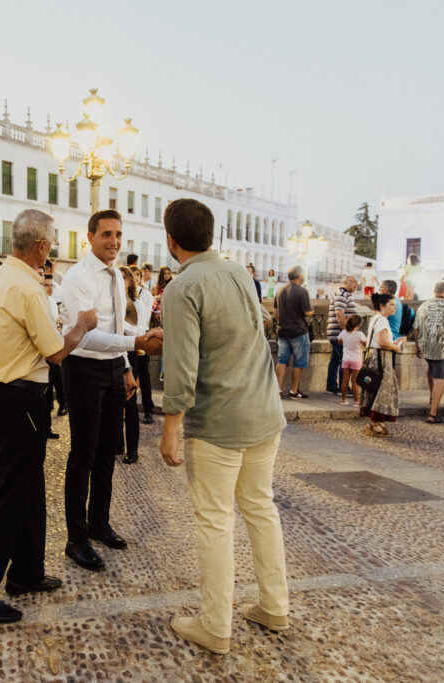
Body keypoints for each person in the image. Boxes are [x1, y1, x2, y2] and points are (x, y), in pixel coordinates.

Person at [157, 198, 289, 655]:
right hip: (264, 413)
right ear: (211, 235)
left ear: (171, 241)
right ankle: (274, 606)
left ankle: (216, 626)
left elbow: (181, 365)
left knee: (215, 521)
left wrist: (171, 427)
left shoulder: (181, 288)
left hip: (219, 422)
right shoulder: (239, 274)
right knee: (260, 509)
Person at [0, 209, 97, 624]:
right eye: (50, 243)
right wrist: (82, 325)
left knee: (30, 486)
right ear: (40, 247)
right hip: (21, 400)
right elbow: (56, 352)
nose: (50, 250)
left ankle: (27, 572)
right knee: (12, 496)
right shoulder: (29, 289)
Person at [59, 209, 163, 572]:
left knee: (108, 451)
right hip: (83, 368)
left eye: (118, 234)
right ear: (89, 237)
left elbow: (116, 324)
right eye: (106, 235)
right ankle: (76, 538)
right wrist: (136, 343)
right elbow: (85, 335)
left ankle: (99, 523)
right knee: (83, 454)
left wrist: (126, 366)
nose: (114, 241)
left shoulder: (118, 276)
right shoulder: (77, 278)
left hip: (113, 367)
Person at [412, 281, 444, 424]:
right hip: (442, 347)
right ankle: (433, 413)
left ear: (434, 291)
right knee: (439, 377)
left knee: (431, 370)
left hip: (425, 345)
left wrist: (417, 346)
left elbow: (416, 328)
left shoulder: (423, 306)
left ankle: (432, 397)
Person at [361, 293, 406, 436]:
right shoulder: (382, 321)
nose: (394, 308)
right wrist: (396, 347)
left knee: (376, 389)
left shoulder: (377, 319)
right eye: (391, 305)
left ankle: (377, 422)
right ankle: (374, 423)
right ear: (382, 306)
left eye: (395, 305)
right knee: (382, 390)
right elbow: (381, 342)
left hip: (376, 356)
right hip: (380, 359)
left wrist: (394, 343)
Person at [274, 265, 312, 399]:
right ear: (300, 276)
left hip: (283, 331)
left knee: (282, 360)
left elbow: (275, 312)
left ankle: (278, 389)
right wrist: (311, 312)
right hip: (298, 331)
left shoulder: (280, 290)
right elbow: (307, 312)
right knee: (299, 362)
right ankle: (294, 390)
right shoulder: (302, 292)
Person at [119, 266, 141, 464]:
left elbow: (138, 332)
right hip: (113, 351)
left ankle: (132, 449)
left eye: (125, 279)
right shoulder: (111, 301)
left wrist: (119, 326)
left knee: (130, 403)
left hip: (131, 352)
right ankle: (117, 443)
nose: (122, 282)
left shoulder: (137, 304)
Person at [325, 274, 358, 396]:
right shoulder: (342, 295)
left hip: (336, 333)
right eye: (353, 281)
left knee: (335, 360)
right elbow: (340, 315)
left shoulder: (344, 295)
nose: (355, 284)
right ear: (345, 281)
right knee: (345, 360)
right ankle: (342, 388)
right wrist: (346, 333)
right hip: (340, 333)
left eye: (356, 282)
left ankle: (331, 387)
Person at [131, 266, 156, 423]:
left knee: (144, 375)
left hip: (142, 337)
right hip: (129, 339)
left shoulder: (145, 295)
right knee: (130, 374)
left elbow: (145, 318)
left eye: (137, 275)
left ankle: (148, 410)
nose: (135, 278)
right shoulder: (125, 295)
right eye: (132, 275)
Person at [43, 275, 68, 419]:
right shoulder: (39, 302)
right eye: (47, 285)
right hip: (44, 347)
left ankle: (62, 404)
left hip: (55, 345)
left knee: (59, 379)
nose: (50, 288)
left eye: (52, 285)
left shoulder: (53, 302)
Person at [338, 314, 366, 405]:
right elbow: (366, 343)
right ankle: (356, 401)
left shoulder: (343, 333)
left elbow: (339, 341)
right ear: (358, 325)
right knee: (355, 381)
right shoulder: (359, 334)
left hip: (346, 358)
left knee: (345, 379)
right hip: (356, 359)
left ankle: (344, 400)